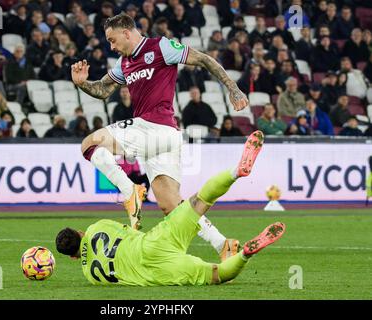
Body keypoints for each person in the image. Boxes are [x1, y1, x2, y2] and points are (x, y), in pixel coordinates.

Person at [72, 13, 249, 233]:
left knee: (89, 144)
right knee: (172, 207)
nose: (112, 46)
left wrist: (233, 88)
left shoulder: (161, 47)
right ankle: (223, 244)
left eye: (112, 40)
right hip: (164, 138)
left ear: (126, 33)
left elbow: (203, 59)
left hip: (154, 128)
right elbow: (103, 89)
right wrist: (82, 83)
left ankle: (130, 192)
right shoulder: (124, 63)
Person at [56, 131, 286, 286]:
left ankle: (245, 254)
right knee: (198, 202)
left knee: (216, 274)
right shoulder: (98, 227)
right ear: (80, 232)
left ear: (74, 258)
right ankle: (236, 172)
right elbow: (132, 232)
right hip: (152, 242)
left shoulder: (91, 276)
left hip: (157, 270)